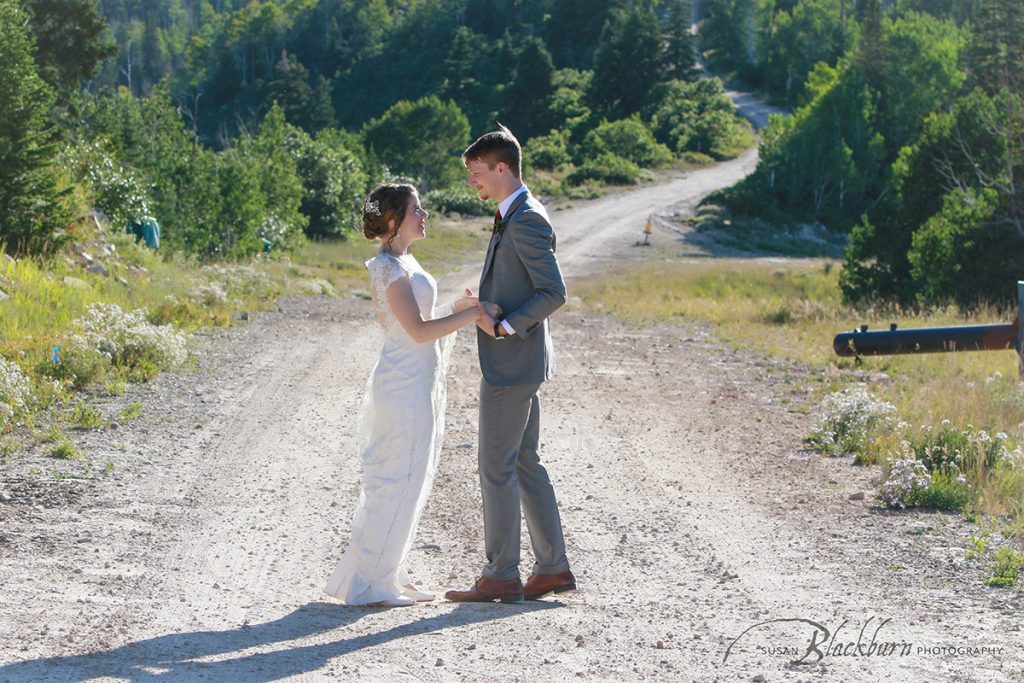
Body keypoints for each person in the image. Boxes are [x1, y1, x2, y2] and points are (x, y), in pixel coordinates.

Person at [324, 183, 498, 607]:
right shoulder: (387, 268)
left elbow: (419, 322)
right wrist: (468, 315)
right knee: (394, 481)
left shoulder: (404, 261)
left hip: (416, 385)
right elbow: (418, 332)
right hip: (400, 388)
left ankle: (390, 572)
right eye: (417, 209)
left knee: (411, 480)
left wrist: (458, 308)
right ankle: (371, 583)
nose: (425, 214)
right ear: (394, 219)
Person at [445, 126, 576, 604]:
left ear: (503, 169)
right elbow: (526, 285)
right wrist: (488, 303)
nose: (473, 183)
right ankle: (552, 568)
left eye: (477, 174)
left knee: (495, 468)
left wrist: (503, 326)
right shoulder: (515, 213)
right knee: (523, 462)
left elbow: (553, 293)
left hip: (511, 364)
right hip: (521, 363)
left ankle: (501, 574)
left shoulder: (524, 219)